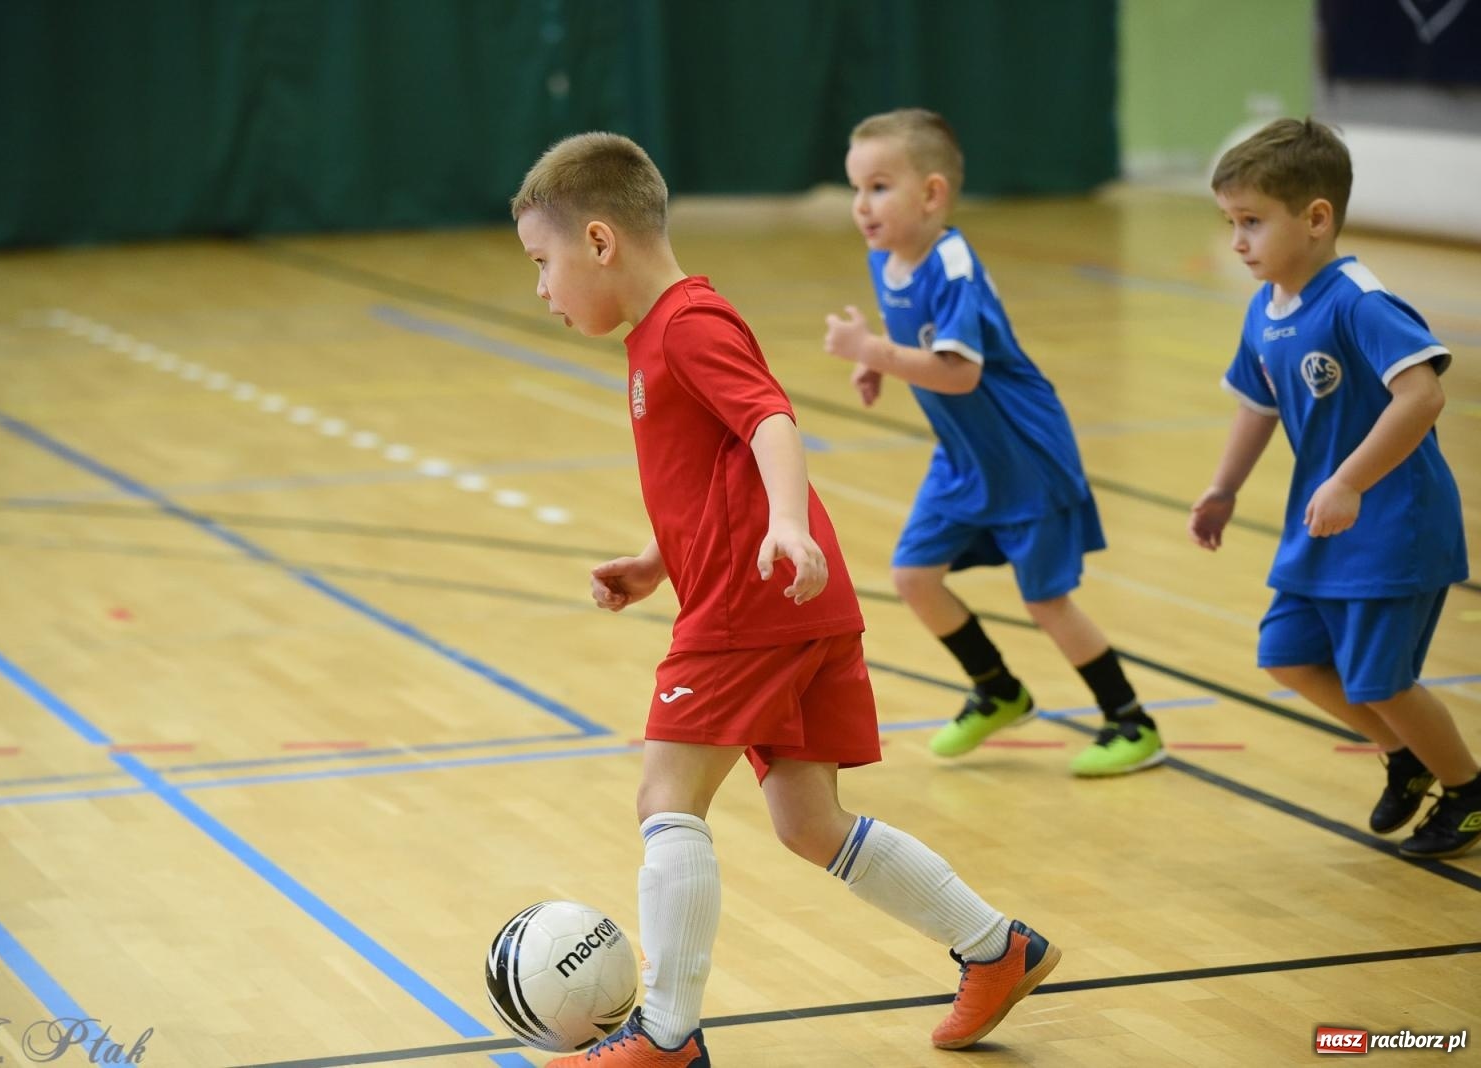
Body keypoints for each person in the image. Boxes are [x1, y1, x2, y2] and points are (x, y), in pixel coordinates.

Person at [511, 132, 1059, 1066]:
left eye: (542, 262)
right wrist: (655, 558)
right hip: (783, 600)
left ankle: (668, 1036)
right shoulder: (664, 329)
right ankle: (994, 948)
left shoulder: (688, 324)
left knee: (665, 797)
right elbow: (713, 468)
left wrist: (789, 526)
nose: (541, 288)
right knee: (810, 823)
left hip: (749, 606)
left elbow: (769, 419)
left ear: (599, 242)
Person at [822, 107, 1164, 777]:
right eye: (856, 188)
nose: (862, 205)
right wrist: (875, 359)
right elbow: (915, 344)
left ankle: (1132, 721)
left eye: (879, 187)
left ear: (932, 194)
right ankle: (999, 689)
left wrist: (874, 350)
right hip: (964, 459)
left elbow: (959, 370)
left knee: (1045, 601)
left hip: (1025, 456)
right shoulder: (886, 256)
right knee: (914, 576)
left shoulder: (952, 267)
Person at [1189, 117, 1477, 859]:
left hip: (1393, 524)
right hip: (1324, 525)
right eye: (1231, 223)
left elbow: (1422, 396)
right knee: (1287, 655)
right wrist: (1223, 488)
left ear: (1317, 219)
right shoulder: (1266, 308)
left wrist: (1349, 481)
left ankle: (1471, 793)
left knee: (1381, 679)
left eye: (1252, 222)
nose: (1238, 242)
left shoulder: (1358, 301)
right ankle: (1408, 757)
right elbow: (1258, 404)